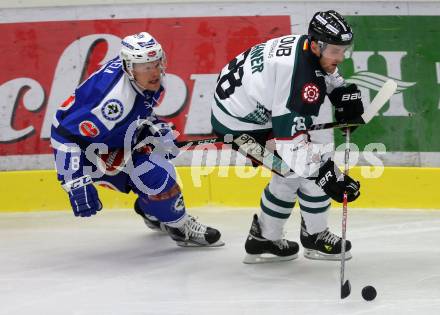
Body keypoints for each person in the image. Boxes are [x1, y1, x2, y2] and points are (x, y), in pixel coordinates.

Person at [211, 10, 362, 263]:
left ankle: (265, 238)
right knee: (303, 168)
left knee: (298, 169)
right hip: (241, 128)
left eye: (343, 49)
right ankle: (309, 236)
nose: (341, 56)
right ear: (316, 45)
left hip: (248, 110)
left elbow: (325, 70)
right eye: (335, 51)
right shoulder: (300, 81)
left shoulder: (306, 46)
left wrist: (340, 90)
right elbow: (292, 148)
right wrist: (328, 175)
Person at [51, 32, 223, 247]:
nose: (154, 72)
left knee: (159, 165)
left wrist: (154, 129)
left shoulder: (141, 76)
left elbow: (141, 111)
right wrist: (74, 180)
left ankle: (151, 212)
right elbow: (64, 134)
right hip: (89, 154)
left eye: (156, 63)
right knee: (157, 176)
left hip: (113, 140)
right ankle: (180, 228)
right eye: (145, 67)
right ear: (129, 68)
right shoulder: (113, 104)